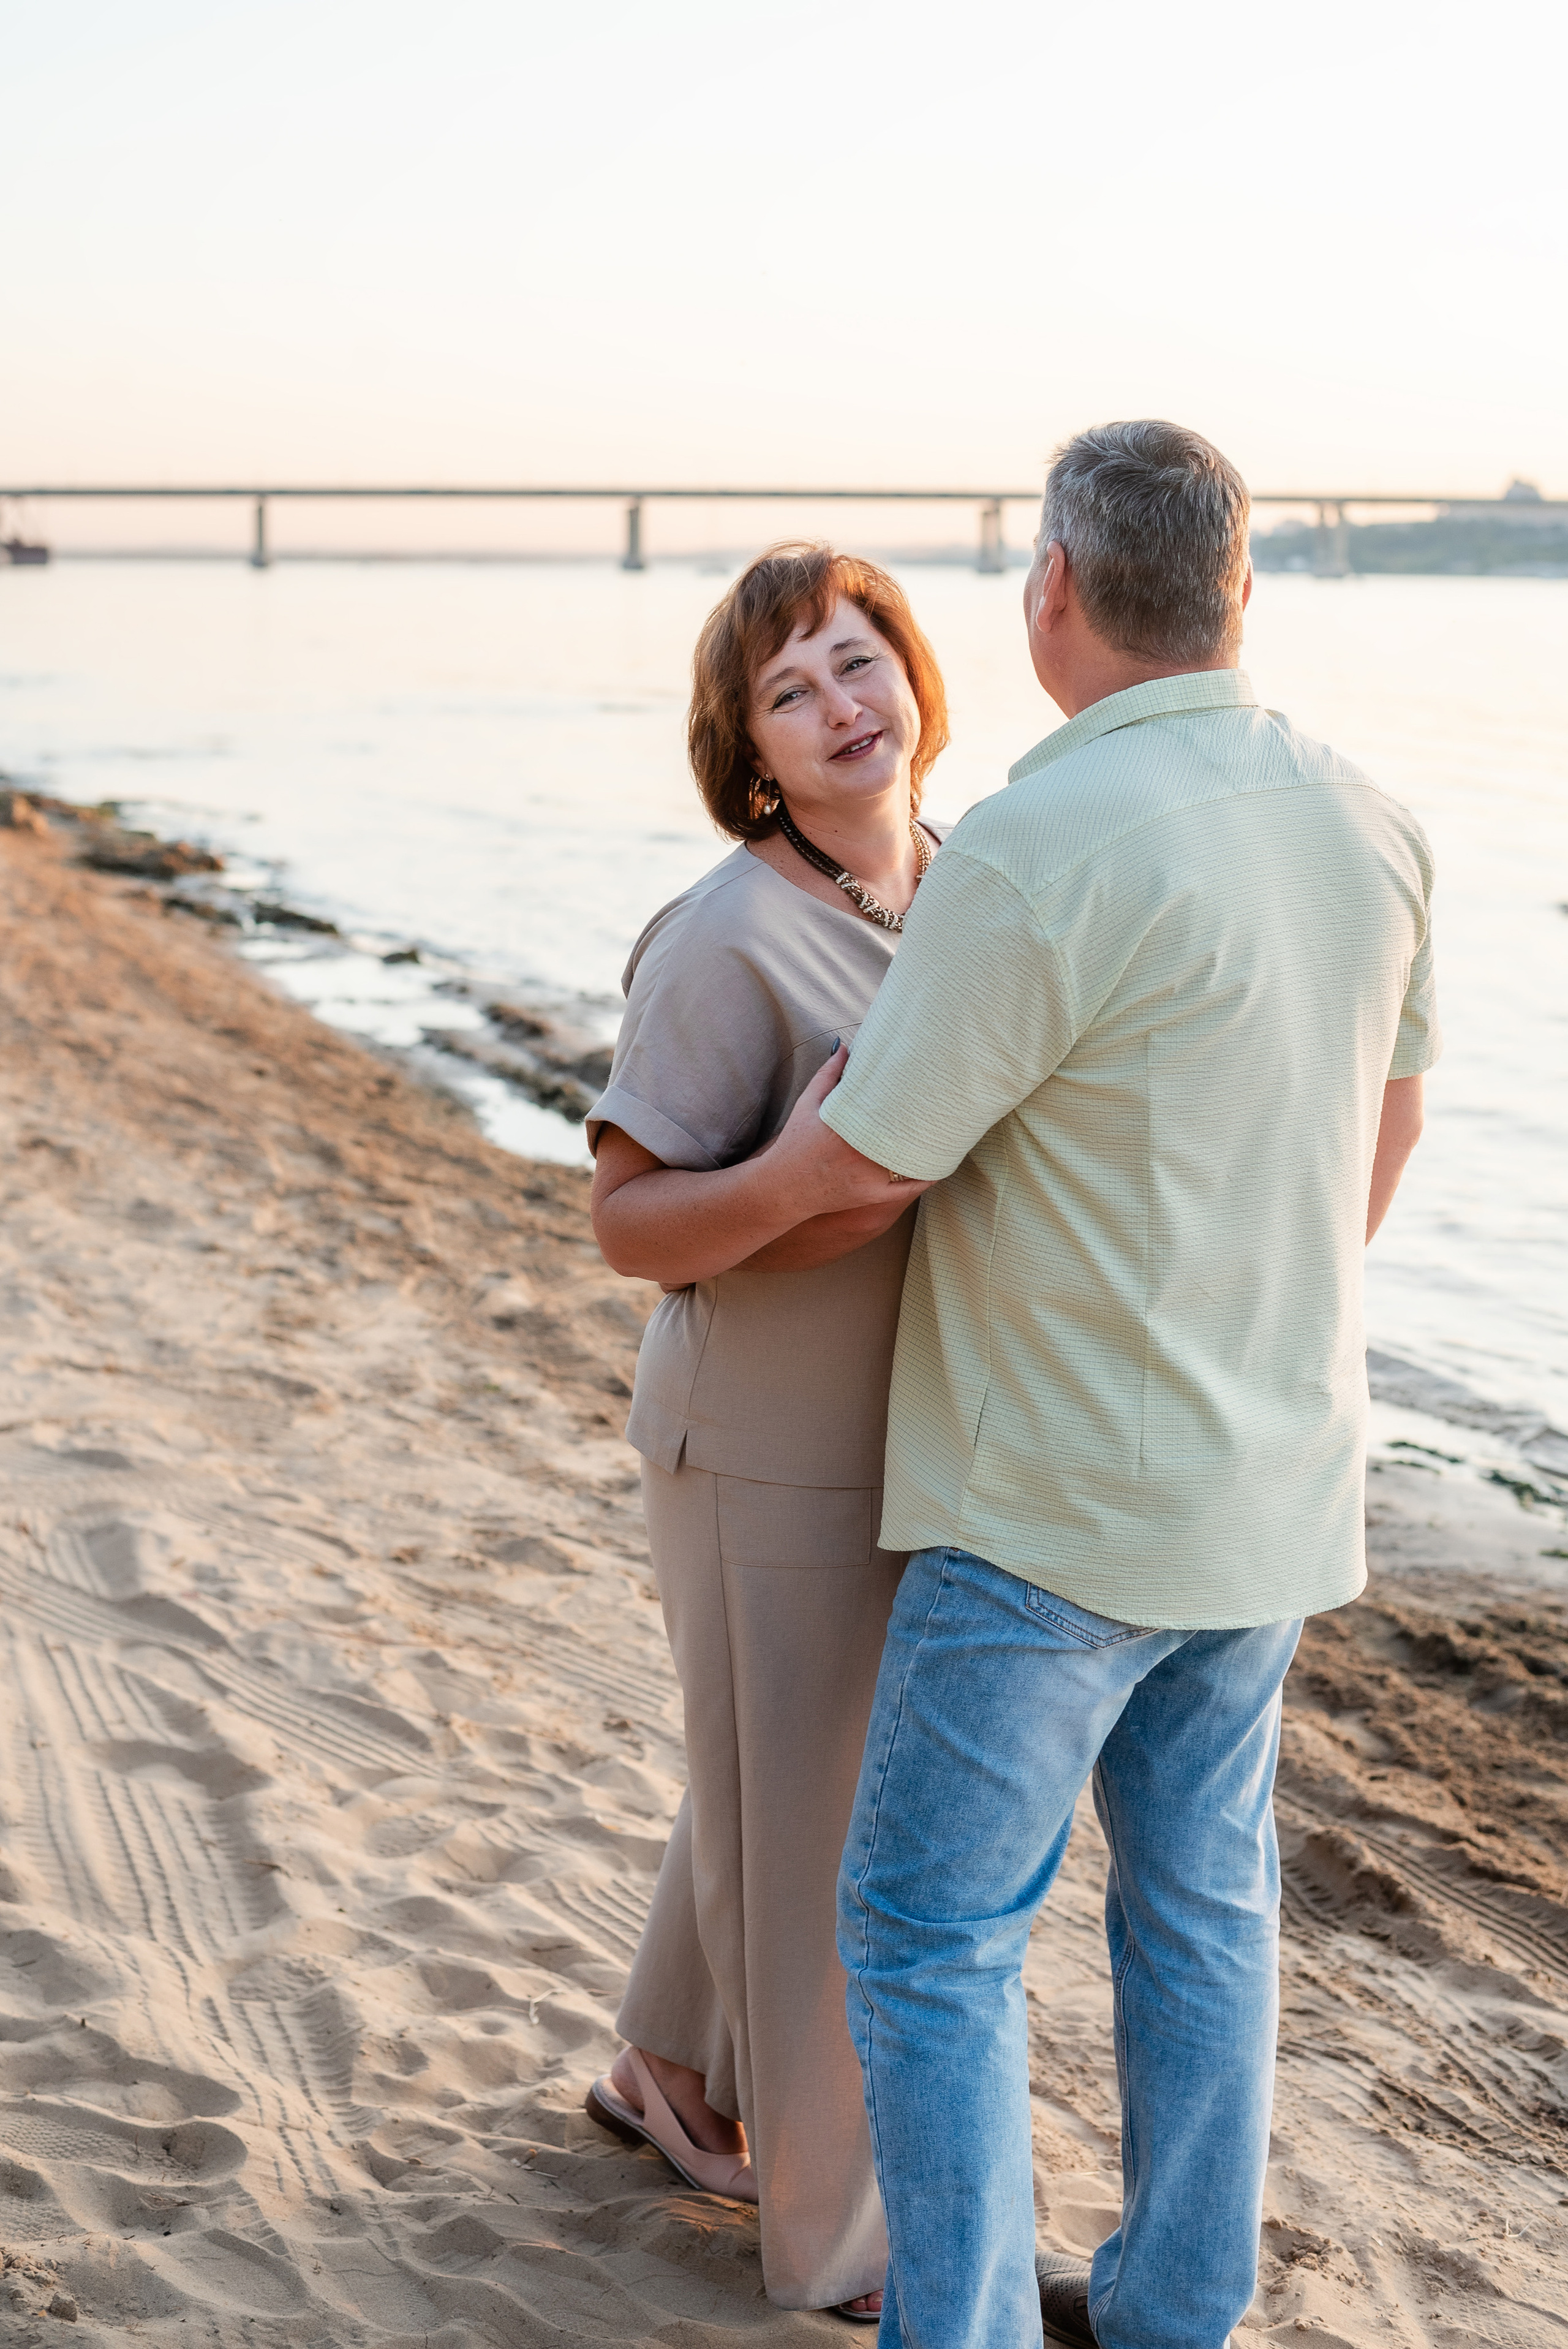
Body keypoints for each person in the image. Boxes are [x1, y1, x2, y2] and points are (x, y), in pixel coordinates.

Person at [702, 423, 1439, 2348]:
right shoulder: (1376, 818)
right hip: (1274, 1490)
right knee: (1203, 1915)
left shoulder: (1033, 841)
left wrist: (680, 1223)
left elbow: (871, 1162)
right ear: (1242, 589)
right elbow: (1391, 1120)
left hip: (1050, 1511)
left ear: (1050, 594)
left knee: (929, 1929)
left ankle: (965, 2334)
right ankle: (1176, 2310)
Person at [580, 545, 949, 2318]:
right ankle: (845, 2246)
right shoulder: (727, 933)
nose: (840, 707)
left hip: (926, 1433)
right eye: (791, 692)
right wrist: (795, 1178)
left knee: (778, 1775)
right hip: (759, 1446)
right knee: (813, 1828)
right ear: (750, 748)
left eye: (861, 660)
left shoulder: (971, 889)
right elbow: (630, 1222)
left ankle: (671, 2070)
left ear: (919, 677)